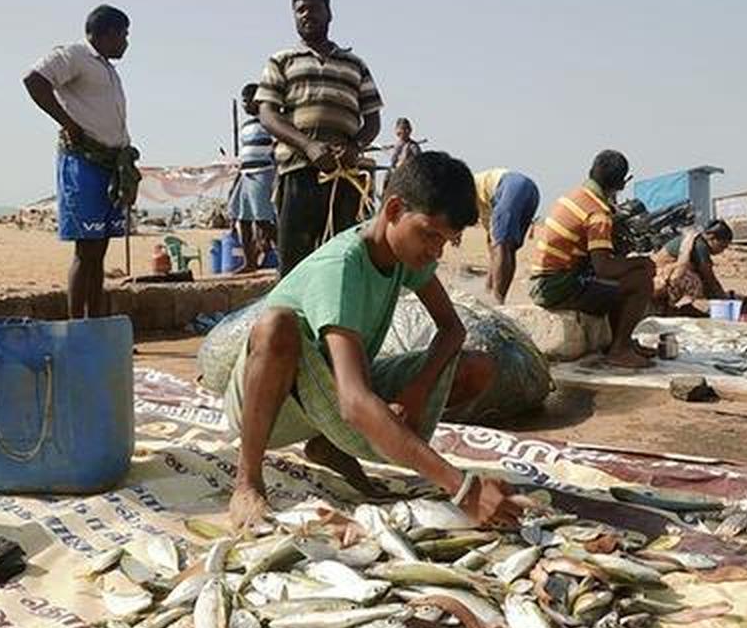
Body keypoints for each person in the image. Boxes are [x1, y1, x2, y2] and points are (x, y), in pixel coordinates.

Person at [223, 152, 530, 530]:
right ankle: (247, 480)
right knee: (277, 327)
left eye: (446, 242)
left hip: (329, 394)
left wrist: (417, 391)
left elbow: (453, 329)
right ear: (395, 209)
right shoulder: (340, 268)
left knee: (475, 368)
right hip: (275, 406)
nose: (436, 251)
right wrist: (462, 488)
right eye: (430, 235)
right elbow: (353, 403)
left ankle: (329, 445)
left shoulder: (404, 257)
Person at [256, 0, 383, 277]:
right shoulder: (281, 60)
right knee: (294, 263)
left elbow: (373, 120)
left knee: (345, 260)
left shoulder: (355, 64)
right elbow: (268, 115)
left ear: (329, 13)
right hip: (298, 171)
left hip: (345, 176)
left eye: (314, 8)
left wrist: (355, 147)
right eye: (300, 10)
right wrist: (309, 146)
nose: (306, 15)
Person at [23, 4, 139, 319]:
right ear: (109, 33)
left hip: (109, 164)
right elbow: (34, 80)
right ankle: (78, 326)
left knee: (99, 251)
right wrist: (67, 123)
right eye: (124, 35)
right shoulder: (74, 56)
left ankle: (97, 324)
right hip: (84, 163)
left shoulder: (107, 68)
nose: (126, 42)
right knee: (85, 249)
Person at [528, 150, 656, 368]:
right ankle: (620, 349)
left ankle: (619, 342)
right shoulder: (597, 213)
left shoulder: (574, 197)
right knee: (640, 280)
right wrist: (641, 262)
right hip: (556, 286)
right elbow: (604, 268)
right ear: (622, 184)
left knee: (623, 279)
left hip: (544, 281)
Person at [228, 83, 278, 271]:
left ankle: (286, 259)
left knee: (263, 220)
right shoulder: (246, 126)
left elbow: (276, 150)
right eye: (243, 102)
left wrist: (276, 177)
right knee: (242, 218)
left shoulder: (271, 121)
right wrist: (236, 181)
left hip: (262, 173)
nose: (245, 105)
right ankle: (250, 262)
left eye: (248, 101)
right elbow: (244, 155)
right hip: (245, 175)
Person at [472, 168, 541, 304]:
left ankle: (497, 301)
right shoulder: (484, 205)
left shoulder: (467, 194)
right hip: (531, 190)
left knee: (501, 246)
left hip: (509, 186)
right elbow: (492, 242)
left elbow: (496, 244)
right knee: (508, 248)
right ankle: (493, 295)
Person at [650, 219, 733, 314]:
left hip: (660, 276)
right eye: (722, 246)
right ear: (712, 238)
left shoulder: (698, 242)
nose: (722, 251)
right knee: (693, 281)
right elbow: (709, 277)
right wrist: (722, 298)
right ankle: (664, 306)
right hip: (658, 278)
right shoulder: (700, 245)